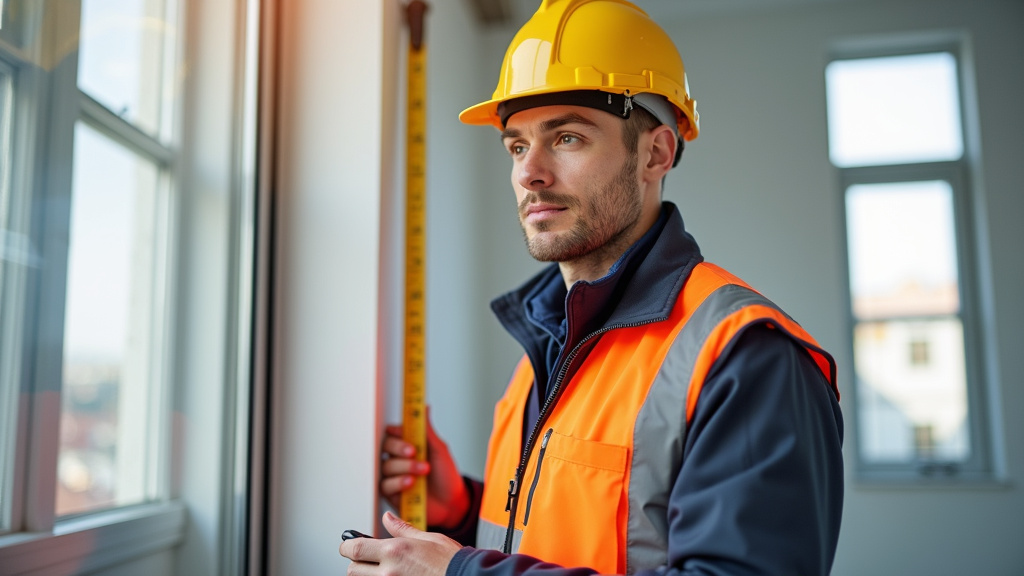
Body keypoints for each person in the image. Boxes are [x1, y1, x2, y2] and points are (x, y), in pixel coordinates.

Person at [339, 0, 844, 574]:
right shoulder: (546, 342)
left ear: (656, 153)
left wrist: (461, 574)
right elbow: (572, 534)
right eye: (517, 145)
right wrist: (461, 509)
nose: (530, 172)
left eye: (569, 138)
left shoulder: (746, 356)